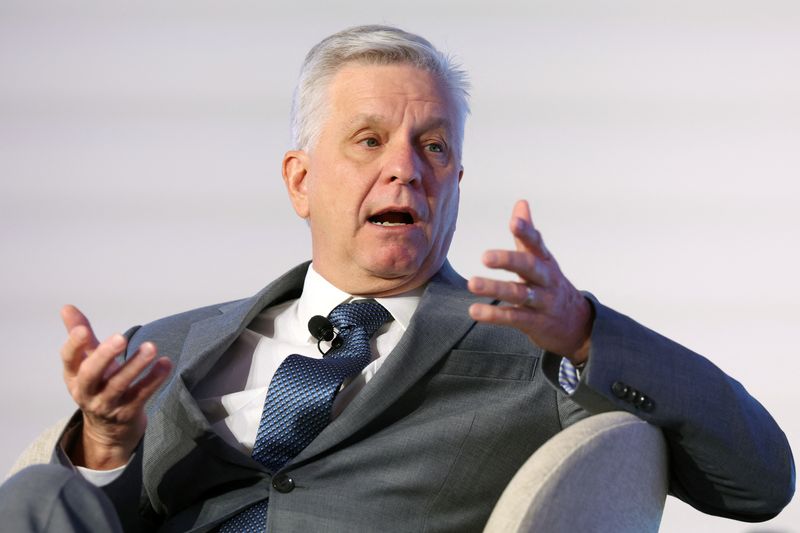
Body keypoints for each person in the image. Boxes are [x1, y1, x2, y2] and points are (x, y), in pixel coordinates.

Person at [0, 24, 794, 532]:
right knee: (38, 494)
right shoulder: (165, 347)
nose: (405, 171)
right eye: (370, 140)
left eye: (434, 148)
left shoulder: (535, 354)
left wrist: (585, 329)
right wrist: (104, 440)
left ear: (456, 181)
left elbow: (759, 481)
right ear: (300, 180)